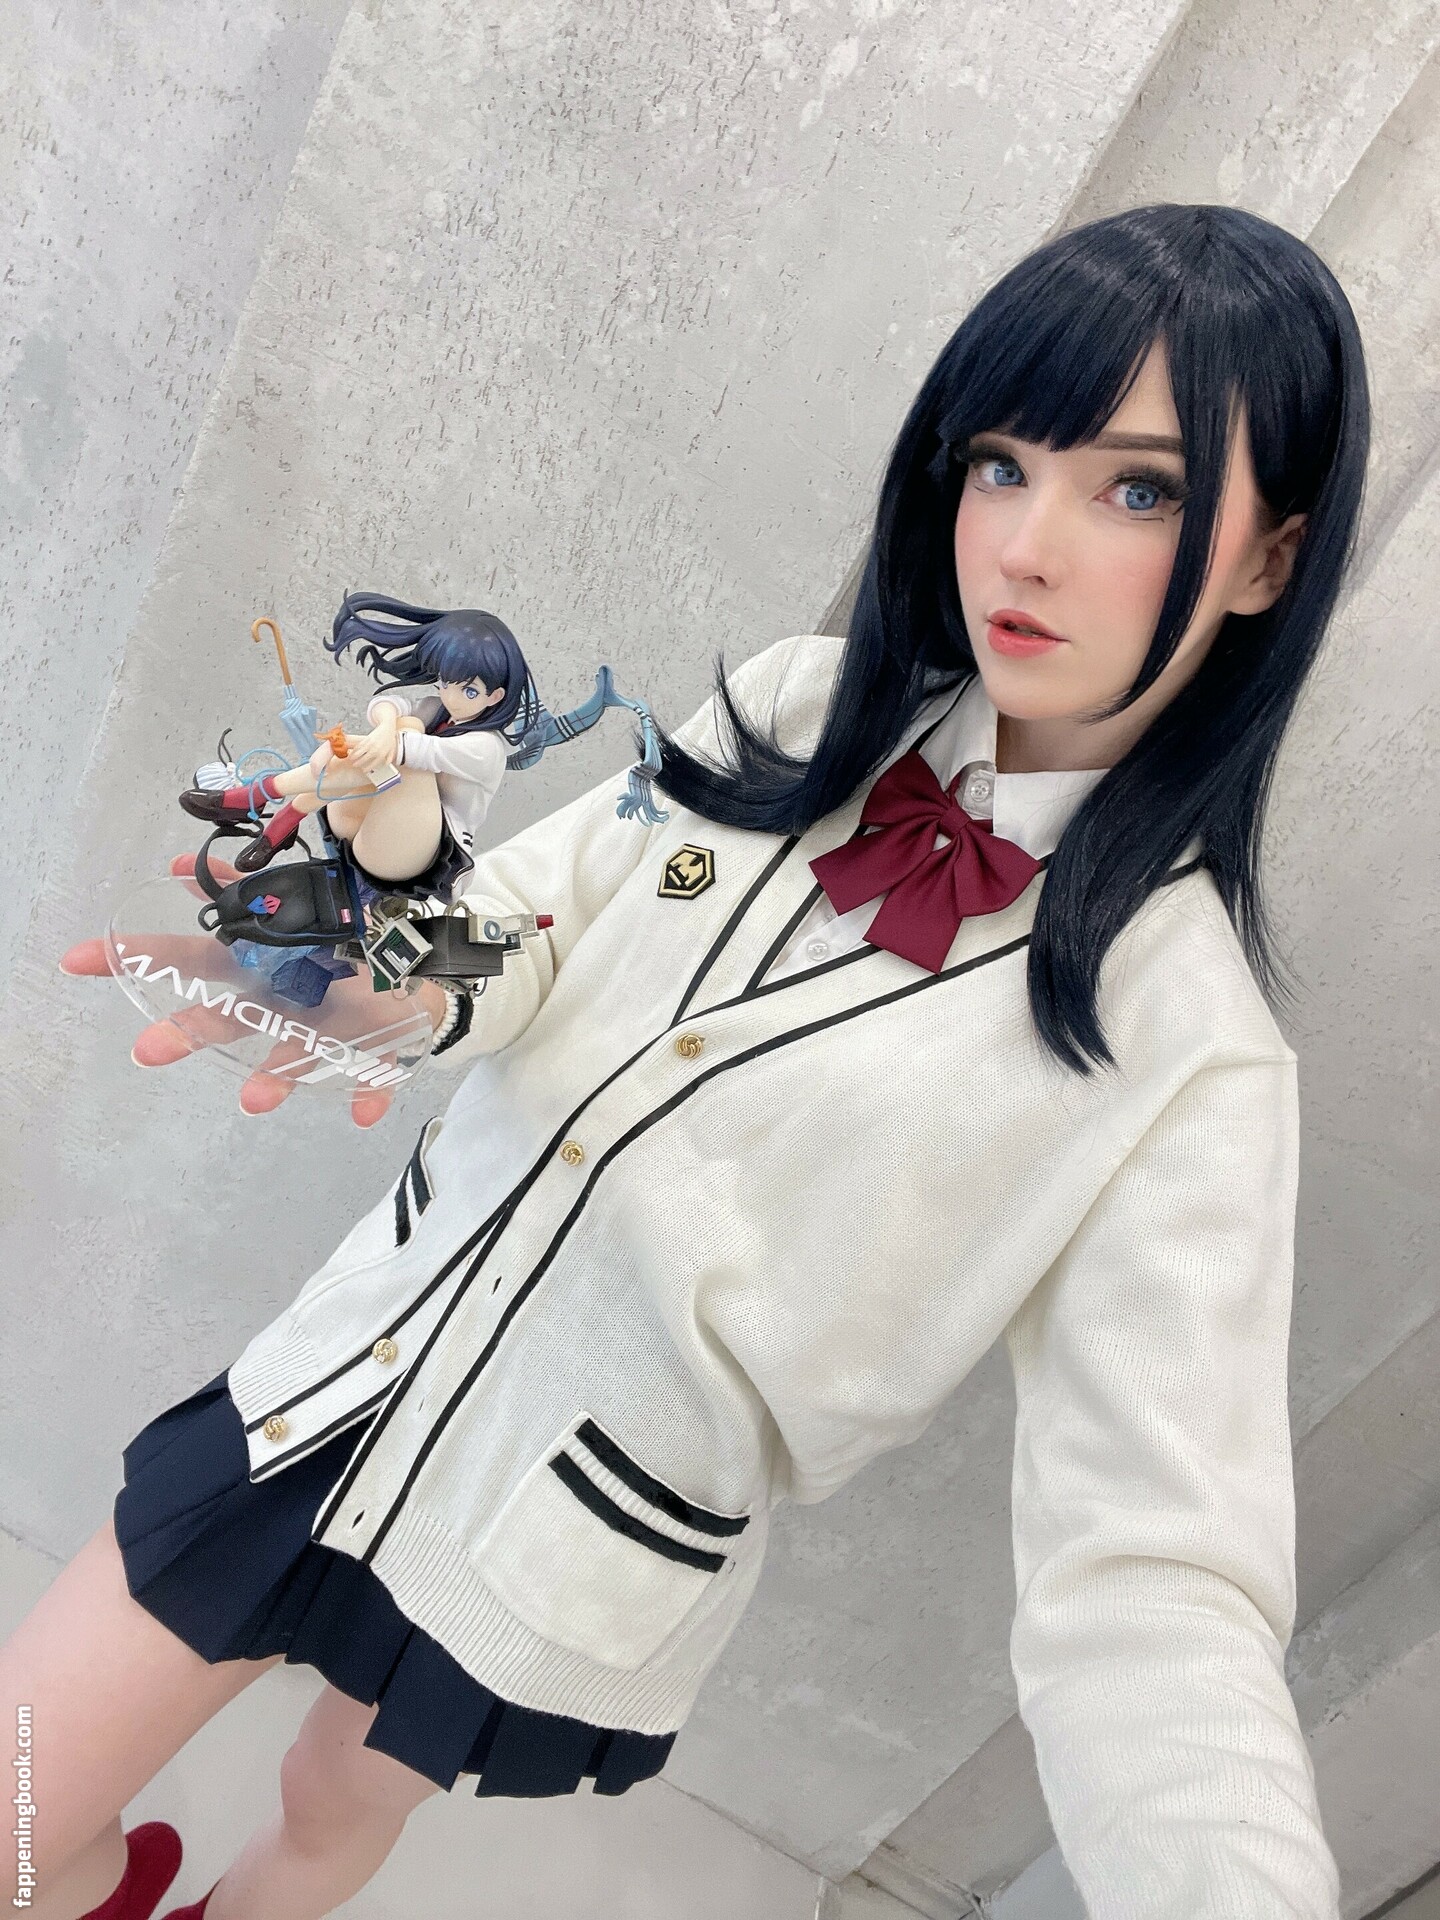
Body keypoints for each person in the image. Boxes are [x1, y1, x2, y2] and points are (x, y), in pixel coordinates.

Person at [11, 201, 1367, 1920]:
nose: (1024, 547)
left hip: (570, 1531)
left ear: (1269, 561)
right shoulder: (798, 711)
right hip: (351, 1369)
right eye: (1001, 464)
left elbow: (1155, 1589)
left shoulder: (1190, 1059)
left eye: (1141, 491)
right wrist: (358, 982)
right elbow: (530, 947)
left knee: (331, 1809)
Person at [177, 595, 541, 889]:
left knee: (408, 740)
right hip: (358, 824)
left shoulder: (486, 748)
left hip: (417, 857)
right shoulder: (439, 709)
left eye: (469, 690)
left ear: (496, 696)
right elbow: (385, 706)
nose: (450, 695)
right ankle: (281, 811)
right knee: (405, 724)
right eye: (445, 682)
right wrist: (383, 728)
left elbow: (413, 750)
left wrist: (348, 742)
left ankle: (263, 797)